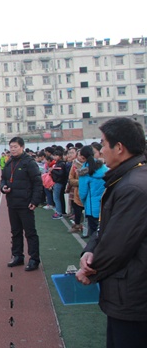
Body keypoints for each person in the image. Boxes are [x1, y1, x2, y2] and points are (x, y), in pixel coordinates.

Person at [76, 117, 147, 348]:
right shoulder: (127, 178)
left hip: (133, 292)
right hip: (128, 290)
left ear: (119, 148)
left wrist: (90, 270)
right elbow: (106, 228)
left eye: (104, 144)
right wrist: (90, 250)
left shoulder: (133, 187)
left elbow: (118, 244)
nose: (101, 152)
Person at [0, 137, 43, 271]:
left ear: (22, 147)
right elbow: (3, 179)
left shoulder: (29, 163)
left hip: (26, 203)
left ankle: (34, 259)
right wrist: (3, 187)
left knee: (30, 232)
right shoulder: (9, 162)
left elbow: (37, 183)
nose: (12, 149)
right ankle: (17, 256)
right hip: (12, 203)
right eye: (11, 147)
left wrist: (35, 201)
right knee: (15, 232)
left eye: (15, 147)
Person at [77, 145, 107, 238]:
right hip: (105, 204)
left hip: (91, 206)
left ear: (83, 157)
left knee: (94, 233)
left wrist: (83, 202)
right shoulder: (104, 168)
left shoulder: (84, 172)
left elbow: (83, 192)